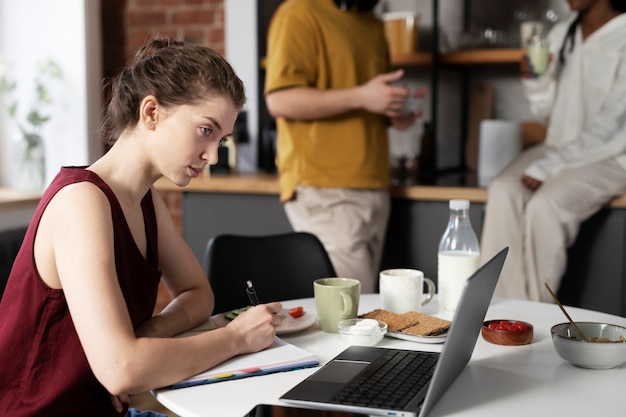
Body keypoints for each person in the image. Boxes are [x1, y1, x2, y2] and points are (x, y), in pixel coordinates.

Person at [0, 38, 284, 417]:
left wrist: (144, 338)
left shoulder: (145, 200)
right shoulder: (80, 202)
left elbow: (198, 293)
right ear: (151, 112)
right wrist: (234, 338)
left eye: (222, 140)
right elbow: (122, 370)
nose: (213, 156)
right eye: (205, 130)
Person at [264, 0, 423, 293]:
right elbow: (280, 100)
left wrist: (392, 111)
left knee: (365, 312)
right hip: (325, 187)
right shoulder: (299, 13)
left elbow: (365, 98)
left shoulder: (372, 24)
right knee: (349, 316)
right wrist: (363, 97)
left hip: (375, 186)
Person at [480, 0, 626, 302]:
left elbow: (614, 126)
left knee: (545, 206)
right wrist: (536, 81)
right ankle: (497, 312)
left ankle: (534, 316)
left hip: (612, 155)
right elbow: (546, 113)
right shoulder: (562, 34)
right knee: (503, 189)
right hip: (558, 145)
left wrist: (549, 166)